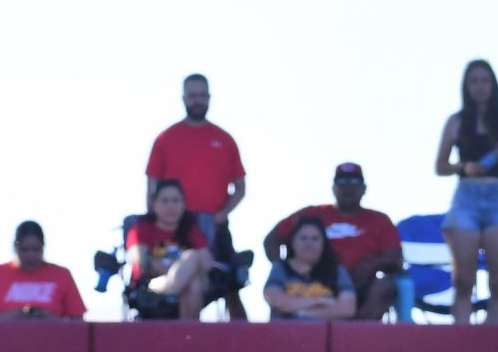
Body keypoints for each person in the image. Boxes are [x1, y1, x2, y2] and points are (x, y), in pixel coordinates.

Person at [145, 73, 249, 320]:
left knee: (232, 284)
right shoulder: (166, 138)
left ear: (209, 98)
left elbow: (241, 187)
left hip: (214, 225)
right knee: (181, 277)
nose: (197, 100)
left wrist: (222, 214)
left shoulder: (224, 139)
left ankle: (247, 345)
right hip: (172, 228)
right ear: (184, 98)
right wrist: (154, 220)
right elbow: (151, 185)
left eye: (202, 95)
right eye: (192, 96)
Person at [433, 60, 498, 324]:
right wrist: (464, 166)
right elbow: (440, 166)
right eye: (474, 81)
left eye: (485, 80)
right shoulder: (456, 121)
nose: (480, 86)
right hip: (467, 196)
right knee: (463, 279)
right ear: (466, 86)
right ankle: (462, 335)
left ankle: (496, 335)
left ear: (493, 84)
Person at [263, 163, 403, 321]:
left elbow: (395, 258)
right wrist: (289, 270)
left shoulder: (379, 220)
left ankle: (357, 339)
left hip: (358, 285)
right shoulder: (312, 214)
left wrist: (372, 265)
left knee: (385, 285)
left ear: (364, 188)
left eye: (354, 183)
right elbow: (272, 240)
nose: (348, 188)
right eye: (342, 183)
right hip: (310, 284)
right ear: (333, 188)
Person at [128, 180, 213, 321]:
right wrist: (185, 268)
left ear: (183, 204)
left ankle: (171, 290)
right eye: (165, 201)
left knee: (194, 275)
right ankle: (189, 338)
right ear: (154, 204)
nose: (170, 206)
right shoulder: (141, 230)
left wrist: (181, 270)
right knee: (193, 274)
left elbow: (206, 262)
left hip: (171, 285)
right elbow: (143, 263)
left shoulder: (192, 231)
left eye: (175, 201)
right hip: (151, 285)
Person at [0, 221, 87, 320]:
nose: (30, 256)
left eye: (36, 250)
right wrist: (13, 316)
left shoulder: (62, 275)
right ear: (15, 247)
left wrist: (48, 318)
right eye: (24, 250)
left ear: (43, 247)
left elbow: (78, 320)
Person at [264, 215, 358, 321]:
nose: (309, 244)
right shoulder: (280, 268)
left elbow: (347, 309)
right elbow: (276, 300)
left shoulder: (337, 271)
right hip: (285, 334)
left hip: (326, 335)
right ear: (292, 242)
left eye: (315, 239)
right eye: (303, 238)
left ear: (323, 243)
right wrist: (320, 301)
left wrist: (302, 313)